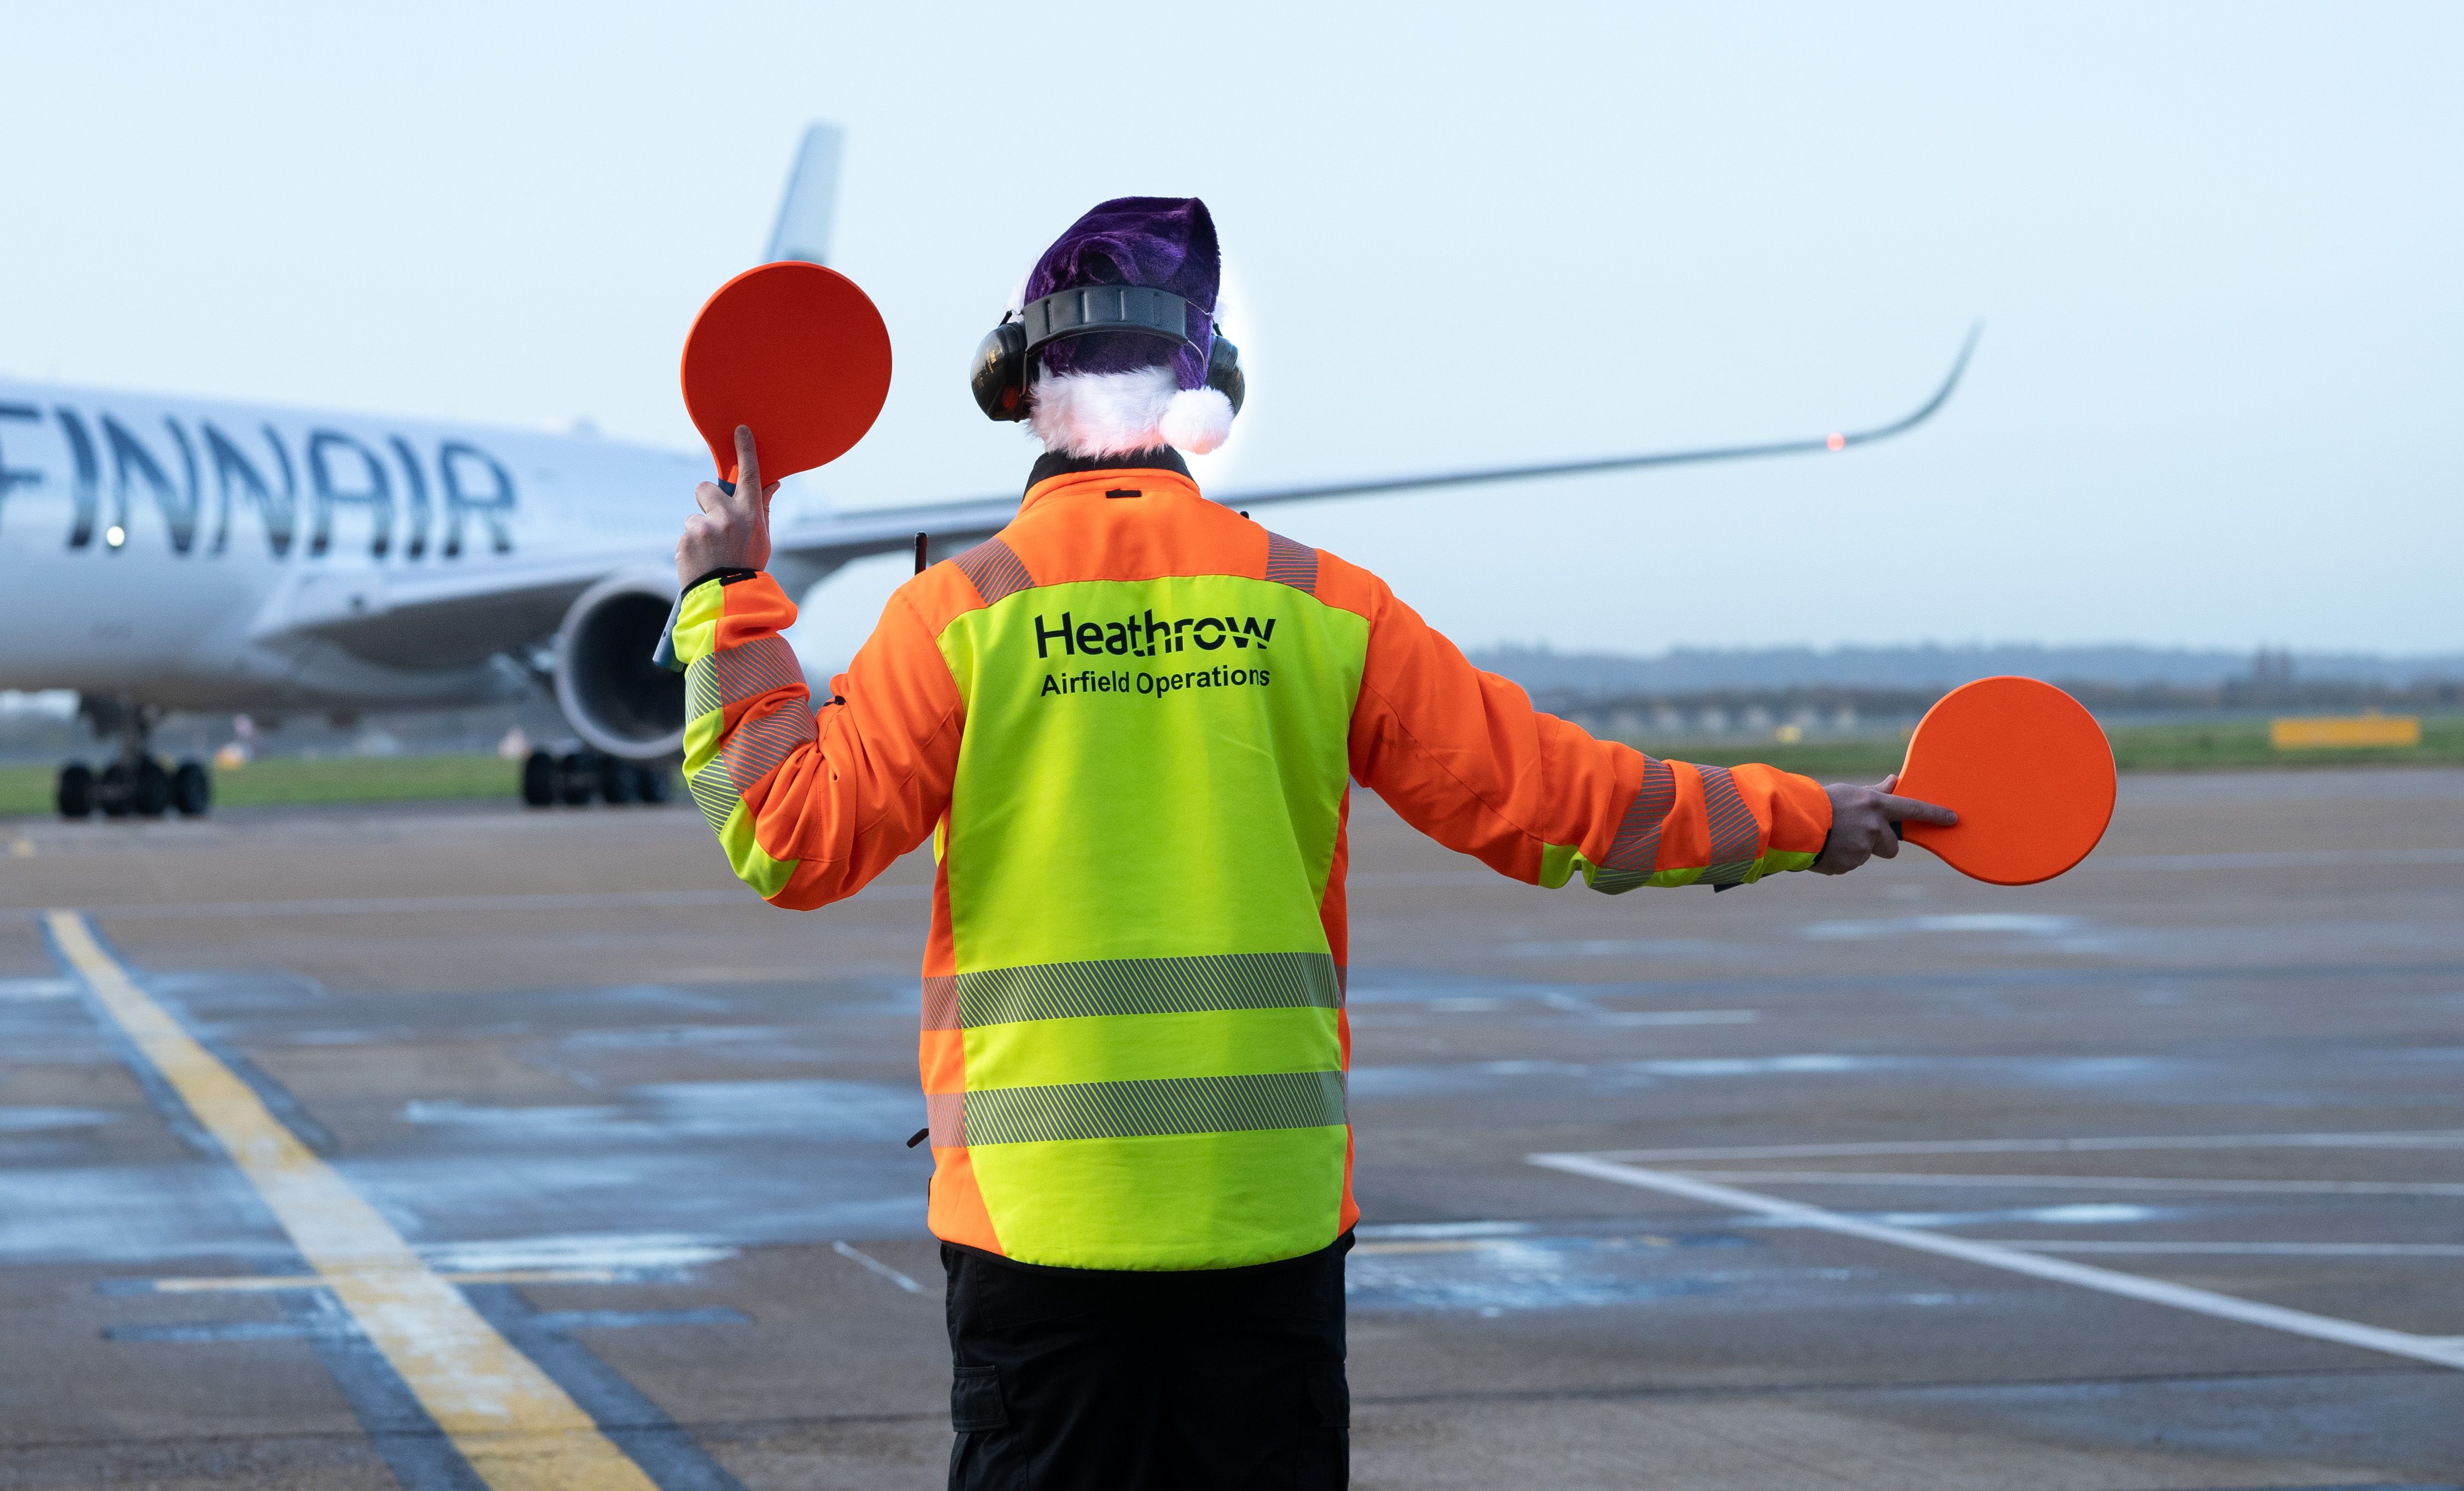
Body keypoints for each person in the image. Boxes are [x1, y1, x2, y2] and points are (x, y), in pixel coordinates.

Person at [665, 196, 1953, 1491]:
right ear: (1201, 391)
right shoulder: (1322, 606)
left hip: (1035, 1220)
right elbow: (1569, 804)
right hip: (1263, 1215)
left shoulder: (955, 614)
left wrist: (729, 600)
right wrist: (1805, 818)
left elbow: (787, 839)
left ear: (1015, 385)